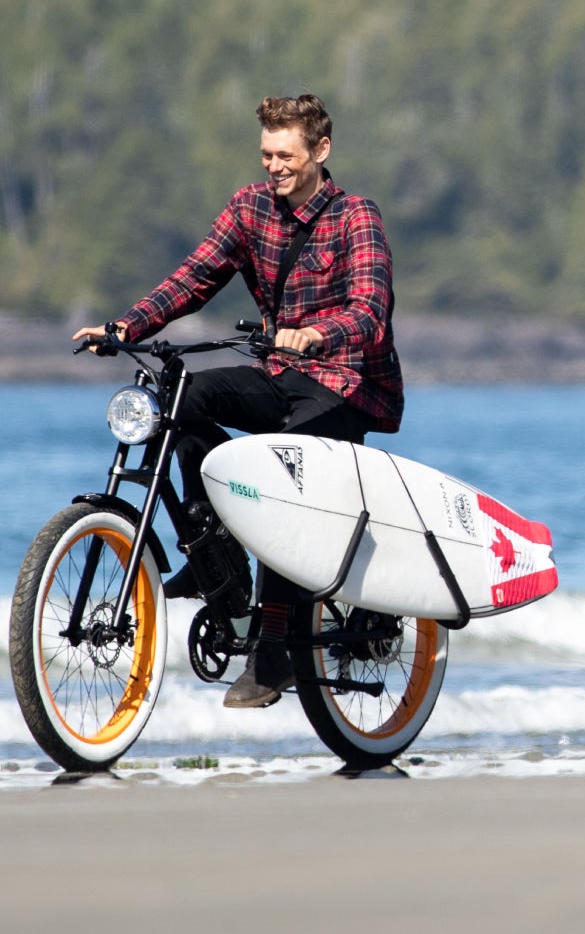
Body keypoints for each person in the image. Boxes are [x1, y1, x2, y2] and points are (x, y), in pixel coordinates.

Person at [74, 93, 403, 707]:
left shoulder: (356, 216)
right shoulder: (250, 207)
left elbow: (370, 311)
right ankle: (215, 561)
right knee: (183, 396)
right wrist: (125, 329)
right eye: (266, 155)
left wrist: (317, 332)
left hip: (347, 385)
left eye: (286, 155)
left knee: (282, 471)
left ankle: (274, 651)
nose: (273, 166)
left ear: (320, 151)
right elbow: (194, 276)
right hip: (281, 373)